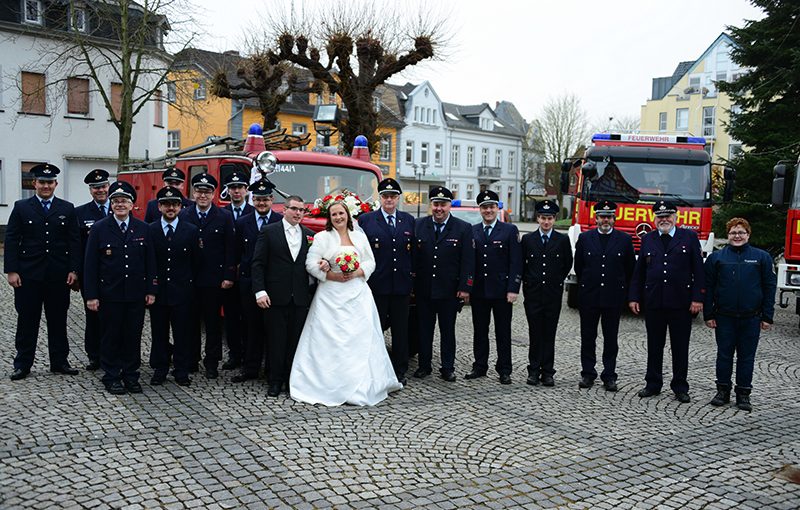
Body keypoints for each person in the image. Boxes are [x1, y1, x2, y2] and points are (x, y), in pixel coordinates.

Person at [290, 201, 403, 406]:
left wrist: (359, 272)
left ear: (348, 215)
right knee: (329, 339)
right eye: (334, 215)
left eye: (341, 213)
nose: (338, 217)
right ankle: (328, 382)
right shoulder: (322, 237)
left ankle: (363, 384)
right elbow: (310, 263)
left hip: (357, 292)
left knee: (361, 336)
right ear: (329, 218)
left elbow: (370, 261)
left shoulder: (359, 237)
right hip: (330, 295)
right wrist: (329, 274)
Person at [5, 163, 81, 381]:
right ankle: (23, 364)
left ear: (56, 184)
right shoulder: (21, 207)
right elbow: (11, 239)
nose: (46, 186)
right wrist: (12, 270)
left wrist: (74, 270)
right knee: (27, 320)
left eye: (50, 182)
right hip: (29, 275)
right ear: (34, 183)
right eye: (42, 182)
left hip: (58, 276)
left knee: (58, 319)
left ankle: (59, 362)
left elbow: (74, 241)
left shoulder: (67, 208)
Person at [83, 181, 157, 394]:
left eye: (124, 201)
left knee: (133, 335)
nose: (120, 205)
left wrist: (151, 290)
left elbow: (150, 262)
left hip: (135, 294)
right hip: (110, 294)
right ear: (111, 204)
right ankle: (112, 375)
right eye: (115, 201)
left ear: (132, 204)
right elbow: (90, 266)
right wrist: (92, 296)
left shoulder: (143, 228)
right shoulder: (99, 229)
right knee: (111, 335)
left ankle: (131, 374)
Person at [629, 200, 704, 403]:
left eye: (668, 216)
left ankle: (680, 386)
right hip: (654, 301)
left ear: (675, 217)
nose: (664, 220)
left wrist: (698, 297)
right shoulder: (648, 239)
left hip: (681, 302)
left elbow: (698, 270)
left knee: (680, 346)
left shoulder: (688, 237)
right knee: (654, 345)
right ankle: (653, 383)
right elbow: (640, 271)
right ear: (654, 219)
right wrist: (634, 296)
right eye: (660, 217)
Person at [704, 218, 776, 411]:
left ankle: (743, 394)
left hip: (751, 317)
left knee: (746, 357)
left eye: (741, 232)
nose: (737, 236)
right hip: (724, 317)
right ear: (727, 235)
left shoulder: (761, 257)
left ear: (748, 234)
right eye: (733, 233)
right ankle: (722, 391)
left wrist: (767, 316)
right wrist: (708, 314)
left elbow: (769, 287)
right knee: (724, 355)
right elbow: (709, 287)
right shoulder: (716, 258)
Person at [251, 195, 316, 397]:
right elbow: (258, 264)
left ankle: (291, 380)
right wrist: (260, 291)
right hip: (274, 296)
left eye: (301, 210)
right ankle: (274, 381)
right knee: (276, 340)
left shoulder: (309, 235)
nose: (298, 213)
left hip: (300, 297)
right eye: (294, 209)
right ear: (284, 210)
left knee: (295, 341)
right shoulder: (269, 232)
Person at [356, 178, 415, 386]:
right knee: (375, 328)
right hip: (377, 285)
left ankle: (399, 370)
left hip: (401, 285)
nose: (389, 199)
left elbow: (413, 253)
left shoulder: (408, 220)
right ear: (379, 198)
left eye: (393, 196)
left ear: (398, 199)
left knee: (401, 331)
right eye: (385, 196)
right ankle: (374, 368)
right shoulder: (366, 220)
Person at [413, 186, 474, 382]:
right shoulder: (419, 225)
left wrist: (465, 287)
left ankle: (447, 367)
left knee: (448, 331)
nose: (439, 208)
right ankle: (424, 366)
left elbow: (468, 261)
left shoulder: (463, 228)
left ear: (450, 206)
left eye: (443, 204)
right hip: (424, 289)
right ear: (431, 205)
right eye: (436, 204)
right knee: (423, 329)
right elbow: (414, 258)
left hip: (450, 290)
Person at [574, 200, 634, 391]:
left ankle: (609, 375)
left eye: (609, 216)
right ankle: (588, 373)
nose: (605, 220)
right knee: (588, 337)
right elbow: (579, 267)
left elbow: (629, 269)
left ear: (614, 218)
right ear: (596, 218)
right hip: (589, 296)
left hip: (613, 297)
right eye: (602, 216)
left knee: (611, 338)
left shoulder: (624, 240)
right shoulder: (585, 238)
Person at [179, 173, 236, 379]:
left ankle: (212, 362)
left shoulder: (224, 216)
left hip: (214, 279)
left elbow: (231, 248)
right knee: (190, 322)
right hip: (189, 279)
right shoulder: (184, 215)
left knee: (213, 324)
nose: (203, 195)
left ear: (213, 194)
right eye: (199, 191)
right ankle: (191, 359)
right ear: (193, 193)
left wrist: (229, 275)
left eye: (207, 192)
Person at [465, 190, 522, 385]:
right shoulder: (472, 231)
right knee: (480, 330)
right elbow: (468, 262)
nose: (488, 210)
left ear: (497, 208)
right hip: (480, 290)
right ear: (479, 209)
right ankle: (480, 366)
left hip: (501, 291)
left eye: (491, 207)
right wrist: (467, 287)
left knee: (503, 331)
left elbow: (516, 262)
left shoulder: (509, 230)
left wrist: (513, 288)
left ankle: (504, 369)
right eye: (484, 207)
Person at [231, 179, 283, 383]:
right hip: (248, 282)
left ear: (272, 200)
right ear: (252, 200)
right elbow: (236, 252)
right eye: (258, 200)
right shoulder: (242, 222)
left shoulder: (280, 221)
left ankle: (272, 369)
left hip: (273, 283)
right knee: (250, 327)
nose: (262, 203)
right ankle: (250, 368)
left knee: (272, 329)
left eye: (265, 199)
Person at [148, 187, 200, 387]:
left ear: (181, 207)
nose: (171, 208)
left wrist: (191, 288)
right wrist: (150, 289)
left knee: (182, 333)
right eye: (166, 204)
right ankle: (160, 369)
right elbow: (149, 262)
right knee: (159, 332)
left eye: (175, 204)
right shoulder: (150, 229)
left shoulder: (191, 230)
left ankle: (181, 369)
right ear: (159, 206)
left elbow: (196, 262)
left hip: (183, 292)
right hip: (159, 292)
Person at [521, 199, 573, 387]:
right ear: (537, 219)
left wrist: (556, 280)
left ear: (554, 219)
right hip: (533, 294)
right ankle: (533, 371)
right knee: (535, 333)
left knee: (549, 333)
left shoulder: (562, 240)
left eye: (549, 218)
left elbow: (567, 263)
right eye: (543, 218)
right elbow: (523, 265)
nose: (546, 222)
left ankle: (548, 372)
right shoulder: (528, 240)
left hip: (552, 294)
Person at [74, 168, 111, 371]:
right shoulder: (80, 213)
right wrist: (77, 273)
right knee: (93, 316)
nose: (100, 190)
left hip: (113, 275)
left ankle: (112, 353)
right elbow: (77, 246)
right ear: (90, 190)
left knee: (113, 316)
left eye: (103, 186)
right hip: (92, 274)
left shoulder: (118, 208)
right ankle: (94, 355)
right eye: (96, 187)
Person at [220, 170, 254, 370]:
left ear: (246, 189)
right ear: (228, 191)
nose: (236, 191)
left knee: (248, 318)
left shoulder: (254, 211)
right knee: (231, 317)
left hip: (248, 274)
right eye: (232, 188)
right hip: (230, 274)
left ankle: (249, 355)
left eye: (240, 187)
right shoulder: (222, 213)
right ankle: (234, 355)